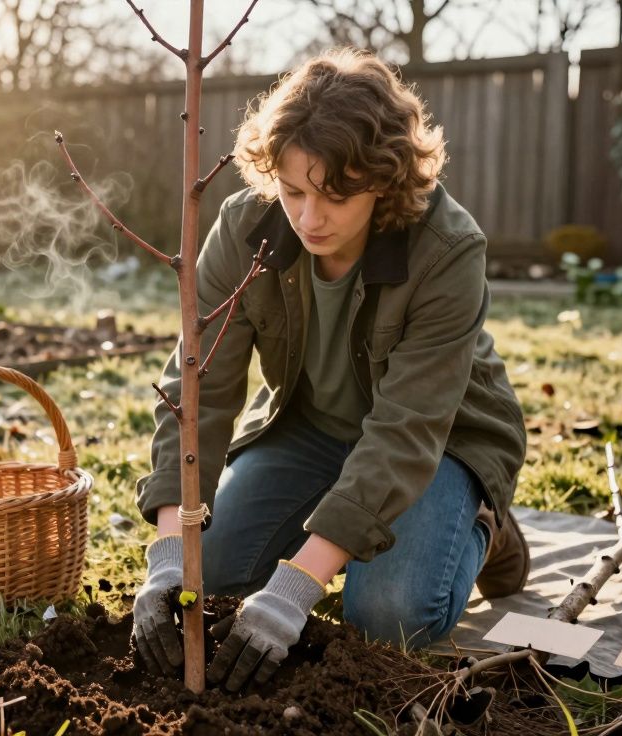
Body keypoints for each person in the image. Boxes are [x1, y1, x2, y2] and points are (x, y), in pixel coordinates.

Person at [131, 48, 530, 692]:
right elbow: (197, 392)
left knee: (388, 616)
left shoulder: (448, 249)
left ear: (384, 180)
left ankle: (482, 522)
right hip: (309, 429)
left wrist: (297, 584)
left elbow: (406, 430)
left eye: (337, 196)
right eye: (293, 191)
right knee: (218, 577)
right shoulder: (245, 231)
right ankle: (344, 514)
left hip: (441, 441)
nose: (309, 218)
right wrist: (170, 552)